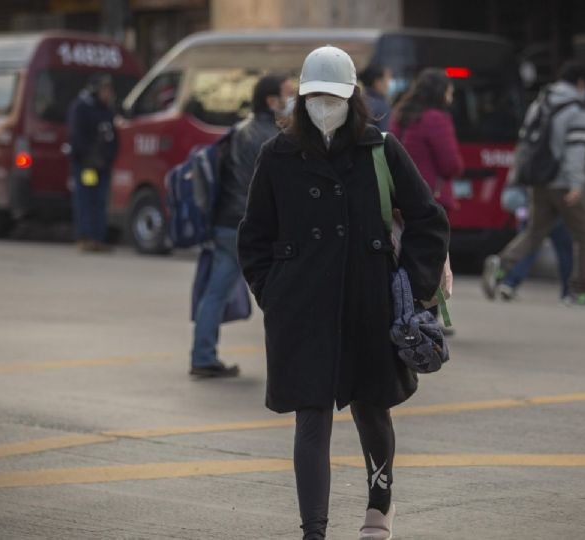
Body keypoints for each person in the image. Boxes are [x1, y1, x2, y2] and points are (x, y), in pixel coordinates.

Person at [237, 46, 449, 540]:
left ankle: (380, 506)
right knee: (310, 421)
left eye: (333, 97)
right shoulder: (278, 156)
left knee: (372, 411)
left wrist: (414, 290)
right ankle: (314, 530)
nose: (323, 105)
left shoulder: (380, 149)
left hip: (369, 306)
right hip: (303, 312)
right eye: (314, 97)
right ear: (301, 99)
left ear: (352, 97)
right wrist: (277, 294)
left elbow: (428, 220)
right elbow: (253, 237)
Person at [189, 74, 296, 379]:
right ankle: (286, 362)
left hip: (226, 222)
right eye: (288, 94)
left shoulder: (239, 130)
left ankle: (203, 354)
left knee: (215, 292)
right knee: (278, 296)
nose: (294, 100)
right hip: (245, 225)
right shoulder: (270, 137)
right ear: (271, 101)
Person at [483, 61, 585, 306]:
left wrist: (516, 177)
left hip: (539, 181)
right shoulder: (578, 109)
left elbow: (525, 142)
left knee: (534, 232)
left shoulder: (540, 102)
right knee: (584, 235)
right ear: (581, 83)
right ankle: (578, 291)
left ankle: (502, 265)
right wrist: (577, 184)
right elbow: (576, 149)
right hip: (564, 183)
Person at [389, 68, 465, 214]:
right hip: (430, 198)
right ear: (441, 93)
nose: (451, 98)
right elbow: (450, 165)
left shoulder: (400, 116)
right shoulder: (436, 119)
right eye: (449, 93)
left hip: (402, 196)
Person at [484, 189, 574, 301]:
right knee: (565, 248)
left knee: (530, 243)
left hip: (530, 198)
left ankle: (507, 278)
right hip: (559, 197)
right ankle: (570, 291)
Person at [67, 74, 118, 252]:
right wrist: (89, 158)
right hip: (88, 166)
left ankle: (98, 238)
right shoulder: (82, 108)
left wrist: (107, 158)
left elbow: (114, 138)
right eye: (105, 90)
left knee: (100, 200)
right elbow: (77, 137)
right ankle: (85, 237)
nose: (108, 94)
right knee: (87, 199)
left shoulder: (107, 110)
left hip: (102, 166)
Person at [359, 64, 394, 131]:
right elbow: (384, 135)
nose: (389, 83)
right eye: (388, 78)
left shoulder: (359, 100)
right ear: (378, 82)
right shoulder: (382, 107)